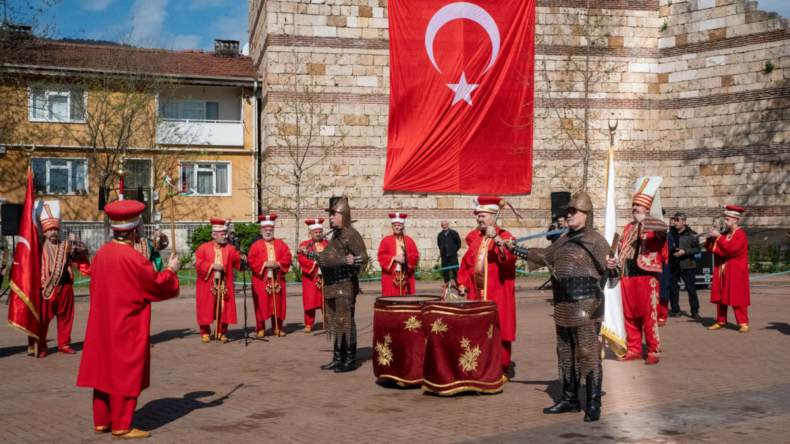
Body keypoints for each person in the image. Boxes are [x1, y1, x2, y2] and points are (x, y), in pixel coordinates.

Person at [505, 191, 615, 422]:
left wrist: (613, 266)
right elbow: (543, 256)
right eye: (569, 211)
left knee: (587, 353)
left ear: (587, 215)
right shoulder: (563, 240)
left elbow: (614, 274)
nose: (570, 214)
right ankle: (569, 399)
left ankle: (594, 404)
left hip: (587, 305)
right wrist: (514, 248)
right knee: (565, 353)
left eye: (575, 211)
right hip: (563, 305)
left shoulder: (597, 241)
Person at [76, 200, 181, 439]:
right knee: (126, 372)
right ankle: (122, 426)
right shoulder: (132, 257)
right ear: (134, 231)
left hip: (103, 323)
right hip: (127, 324)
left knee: (104, 372)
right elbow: (156, 284)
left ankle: (102, 421)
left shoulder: (103, 252)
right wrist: (172, 270)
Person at [299, 197, 368, 373]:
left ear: (343, 216)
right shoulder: (335, 236)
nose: (330, 218)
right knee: (336, 323)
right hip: (332, 285)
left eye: (333, 214)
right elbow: (328, 258)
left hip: (345, 285)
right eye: (330, 215)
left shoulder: (351, 234)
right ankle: (338, 358)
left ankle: (350, 360)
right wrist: (309, 254)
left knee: (346, 322)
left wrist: (355, 260)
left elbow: (364, 257)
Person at [456, 196, 518, 382]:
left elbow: (510, 259)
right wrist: (462, 284)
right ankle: (480, 364)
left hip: (497, 293)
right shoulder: (475, 239)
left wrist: (497, 240)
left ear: (494, 216)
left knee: (500, 329)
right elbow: (467, 263)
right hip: (477, 294)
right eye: (478, 216)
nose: (479, 219)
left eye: (483, 216)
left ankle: (503, 368)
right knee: (477, 329)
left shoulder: (506, 236)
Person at [608, 177, 668, 365]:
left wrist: (647, 219)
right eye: (633, 206)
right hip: (628, 276)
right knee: (630, 315)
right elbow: (621, 248)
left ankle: (653, 350)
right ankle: (634, 349)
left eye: (638, 206)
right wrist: (612, 258)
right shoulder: (628, 227)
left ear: (647, 209)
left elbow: (663, 230)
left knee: (648, 316)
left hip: (646, 277)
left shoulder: (654, 225)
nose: (634, 209)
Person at [31, 201, 92, 357]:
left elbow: (83, 252)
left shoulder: (66, 245)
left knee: (66, 317)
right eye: (50, 229)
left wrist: (76, 240)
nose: (53, 232)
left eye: (55, 229)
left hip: (65, 288)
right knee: (43, 320)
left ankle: (64, 344)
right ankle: (42, 346)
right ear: (43, 232)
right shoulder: (38, 247)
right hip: (46, 289)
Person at [194, 219, 244, 342]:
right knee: (206, 307)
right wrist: (212, 266)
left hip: (224, 284)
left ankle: (221, 332)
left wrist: (242, 257)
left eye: (225, 234)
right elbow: (199, 264)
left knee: (224, 307)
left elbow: (236, 259)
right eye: (222, 235)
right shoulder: (202, 248)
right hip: (207, 284)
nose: (224, 237)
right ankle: (205, 333)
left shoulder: (229, 248)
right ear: (214, 235)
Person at [705, 206, 751, 332]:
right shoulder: (726, 234)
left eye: (727, 219)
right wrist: (710, 237)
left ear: (735, 220)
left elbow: (731, 249)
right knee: (720, 296)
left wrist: (718, 237)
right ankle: (721, 321)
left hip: (735, 271)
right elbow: (713, 249)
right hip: (722, 270)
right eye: (724, 220)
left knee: (737, 297)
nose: (725, 222)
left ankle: (743, 323)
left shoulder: (741, 234)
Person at [248, 215, 292, 337]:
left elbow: (287, 257)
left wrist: (278, 264)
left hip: (277, 278)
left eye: (270, 230)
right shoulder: (255, 245)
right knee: (261, 303)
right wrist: (265, 264)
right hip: (261, 279)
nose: (268, 232)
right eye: (266, 230)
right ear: (261, 231)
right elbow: (251, 260)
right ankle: (260, 328)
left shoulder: (281, 244)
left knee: (278, 303)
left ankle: (277, 327)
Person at [667, 212, 701, 319]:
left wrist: (684, 251)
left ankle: (695, 311)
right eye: (674, 220)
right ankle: (675, 309)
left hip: (688, 266)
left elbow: (697, 249)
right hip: (673, 265)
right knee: (673, 289)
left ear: (684, 221)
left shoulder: (691, 234)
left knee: (691, 290)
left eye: (677, 220)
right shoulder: (671, 234)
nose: (675, 222)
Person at [378, 212, 419, 296]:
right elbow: (381, 255)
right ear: (392, 226)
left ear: (403, 226)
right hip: (391, 275)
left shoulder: (409, 240)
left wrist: (406, 259)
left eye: (399, 225)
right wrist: (394, 258)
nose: (397, 227)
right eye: (394, 225)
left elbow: (415, 254)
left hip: (405, 274)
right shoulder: (385, 241)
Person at [297, 219, 327, 333]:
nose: (318, 234)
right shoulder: (304, 245)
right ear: (310, 233)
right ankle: (309, 324)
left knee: (327, 300)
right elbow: (301, 259)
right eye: (316, 232)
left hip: (326, 277)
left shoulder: (328, 244)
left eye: (320, 231)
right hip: (311, 277)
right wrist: (315, 263)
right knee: (310, 300)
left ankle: (327, 321)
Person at [437, 220, 461, 286]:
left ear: (448, 224)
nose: (444, 226)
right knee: (445, 271)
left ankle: (458, 284)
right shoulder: (440, 235)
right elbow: (439, 244)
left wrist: (453, 250)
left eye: (445, 224)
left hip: (452, 255)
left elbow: (458, 244)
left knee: (455, 270)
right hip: (444, 256)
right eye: (443, 225)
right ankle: (447, 284)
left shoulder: (454, 233)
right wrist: (443, 251)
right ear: (441, 226)